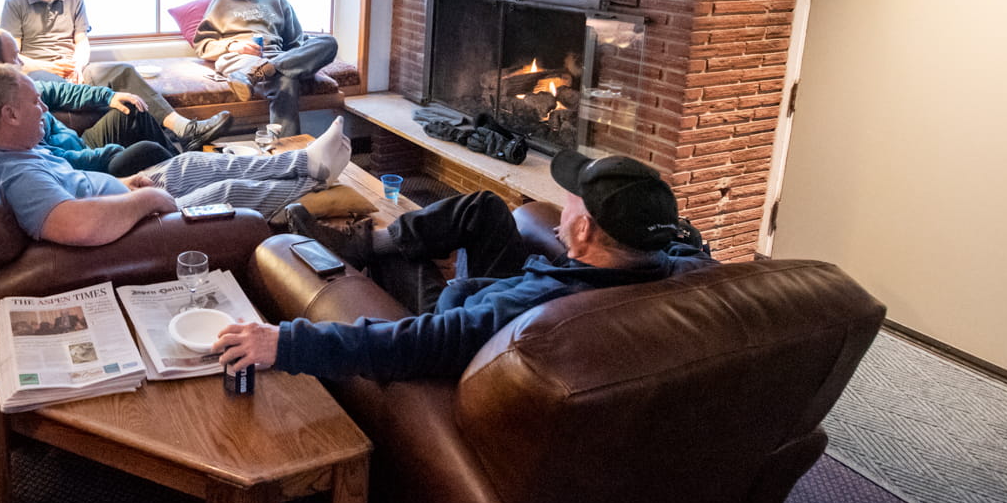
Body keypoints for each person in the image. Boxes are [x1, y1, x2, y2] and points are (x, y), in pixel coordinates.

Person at [213, 151, 714, 383]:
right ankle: (366, 243)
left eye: (569, 204)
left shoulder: (529, 314)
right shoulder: (671, 268)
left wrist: (284, 342)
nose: (559, 207)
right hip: (521, 282)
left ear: (583, 231)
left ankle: (359, 252)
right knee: (483, 208)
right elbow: (695, 248)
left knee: (399, 262)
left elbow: (413, 345)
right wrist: (677, 232)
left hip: (460, 313)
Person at [0, 64, 354, 243]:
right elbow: (75, 225)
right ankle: (310, 182)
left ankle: (303, 162)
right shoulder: (16, 173)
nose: (43, 110)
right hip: (132, 226)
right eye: (36, 103)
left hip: (124, 197)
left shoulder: (18, 149)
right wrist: (145, 199)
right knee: (224, 193)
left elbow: (74, 187)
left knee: (191, 161)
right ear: (10, 114)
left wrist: (124, 182)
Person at [1, 0, 231, 150]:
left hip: (75, 68)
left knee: (124, 71)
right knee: (48, 79)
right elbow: (14, 56)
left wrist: (78, 67)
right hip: (39, 73)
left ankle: (183, 128)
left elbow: (81, 40)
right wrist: (51, 68)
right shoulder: (14, 2)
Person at [0, 29, 185, 176]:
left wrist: (108, 96)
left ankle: (184, 159)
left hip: (80, 144)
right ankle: (185, 175)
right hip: (82, 167)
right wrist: (110, 153)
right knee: (148, 150)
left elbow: (58, 90)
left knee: (132, 107)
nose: (21, 63)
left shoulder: (11, 87)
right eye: (15, 57)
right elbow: (52, 160)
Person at [191, 0, 338, 137]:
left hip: (275, 57)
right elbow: (202, 45)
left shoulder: (278, 1)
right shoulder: (222, 1)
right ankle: (288, 156)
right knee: (286, 79)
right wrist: (234, 45)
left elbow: (296, 44)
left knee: (329, 42)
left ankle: (259, 74)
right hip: (241, 59)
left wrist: (294, 58)